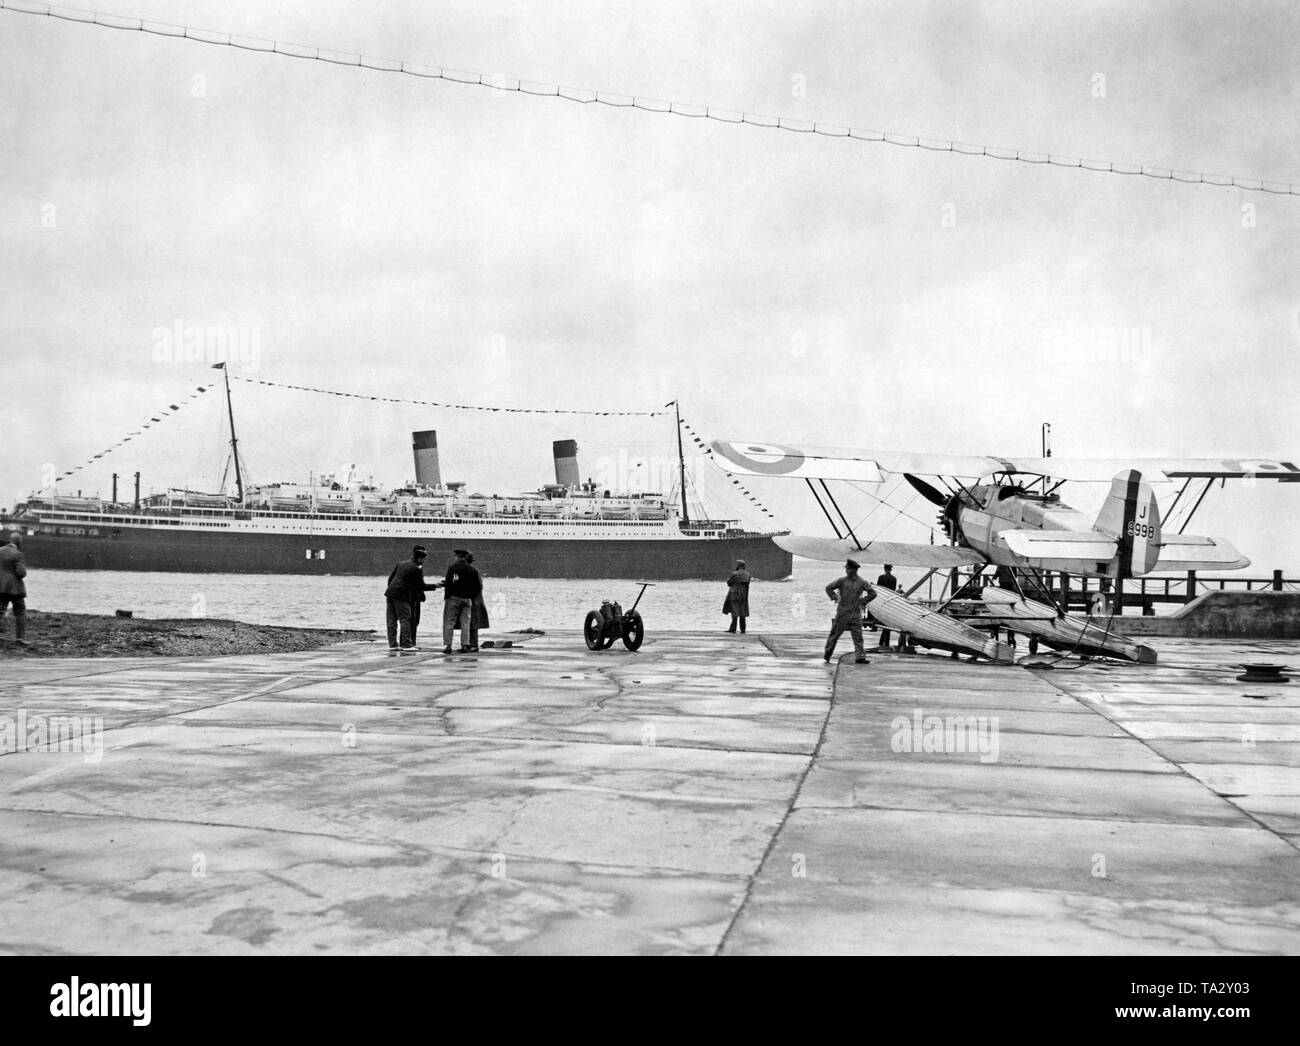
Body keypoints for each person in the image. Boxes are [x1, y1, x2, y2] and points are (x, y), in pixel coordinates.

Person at [384, 546, 439, 654]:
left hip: (390, 593)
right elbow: (421, 586)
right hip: (401, 596)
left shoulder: (401, 563)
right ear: (419, 558)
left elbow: (390, 579)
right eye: (423, 560)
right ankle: (406, 644)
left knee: (392, 621)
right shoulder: (415, 568)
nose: (423, 562)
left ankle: (393, 645)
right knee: (405, 619)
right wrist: (435, 585)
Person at [824, 558, 876, 664]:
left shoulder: (862, 582)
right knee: (834, 635)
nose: (847, 571)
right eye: (846, 569)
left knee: (858, 636)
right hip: (842, 612)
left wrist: (863, 601)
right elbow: (828, 588)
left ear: (854, 570)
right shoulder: (842, 580)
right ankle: (827, 654)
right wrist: (834, 597)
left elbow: (873, 593)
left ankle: (860, 657)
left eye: (849, 569)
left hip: (855, 612)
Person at [442, 549, 482, 653]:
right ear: (465, 557)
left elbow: (448, 583)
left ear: (457, 557)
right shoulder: (472, 570)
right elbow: (477, 587)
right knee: (465, 623)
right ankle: (465, 645)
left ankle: (448, 646)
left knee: (449, 622)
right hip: (467, 599)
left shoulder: (452, 567)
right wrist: (469, 596)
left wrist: (447, 596)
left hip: (453, 598)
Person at [0, 531, 28, 646]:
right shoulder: (17, 554)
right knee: (20, 611)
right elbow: (21, 573)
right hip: (15, 589)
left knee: (0, 610)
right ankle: (20, 638)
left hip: (1, 586)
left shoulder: (0, 551)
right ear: (19, 541)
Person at [466, 552, 490, 651]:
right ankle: (470, 644)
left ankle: (473, 645)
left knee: (472, 624)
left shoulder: (472, 571)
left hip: (474, 601)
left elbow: (478, 587)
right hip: (475, 600)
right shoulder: (474, 571)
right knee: (470, 624)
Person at [724, 559, 751, 634]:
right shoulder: (748, 574)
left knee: (734, 611)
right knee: (743, 612)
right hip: (744, 595)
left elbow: (729, 583)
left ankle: (733, 628)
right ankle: (743, 629)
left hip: (734, 594)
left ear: (738, 566)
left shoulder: (734, 574)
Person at [875, 564, 898, 647]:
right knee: (886, 622)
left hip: (882, 600)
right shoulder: (894, 579)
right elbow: (893, 590)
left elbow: (878, 589)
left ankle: (883, 642)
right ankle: (883, 642)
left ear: (885, 569)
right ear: (890, 570)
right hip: (890, 601)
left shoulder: (881, 577)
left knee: (884, 622)